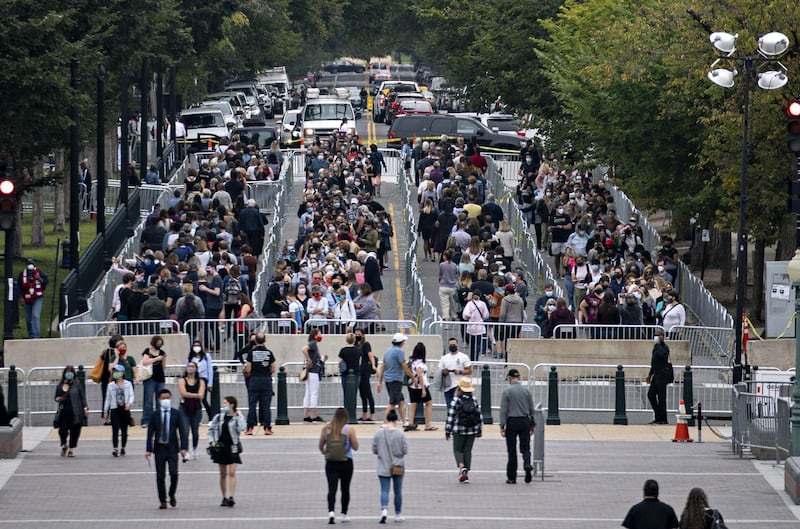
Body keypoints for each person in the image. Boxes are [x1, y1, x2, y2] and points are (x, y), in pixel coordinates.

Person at [145, 389, 188, 509]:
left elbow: (183, 431)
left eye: (168, 398)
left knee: (174, 473)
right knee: (160, 476)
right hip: (159, 448)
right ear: (159, 400)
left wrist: (184, 447)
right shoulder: (154, 415)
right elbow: (150, 433)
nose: (166, 400)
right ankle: (162, 500)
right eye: (163, 398)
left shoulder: (176, 413)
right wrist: (148, 449)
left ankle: (171, 493)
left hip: (172, 447)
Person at [319, 407, 360, 524]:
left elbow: (320, 446)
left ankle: (331, 512)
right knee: (345, 489)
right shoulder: (349, 429)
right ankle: (344, 514)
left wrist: (326, 453)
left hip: (331, 462)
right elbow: (356, 447)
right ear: (346, 417)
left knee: (331, 489)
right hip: (346, 462)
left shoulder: (326, 429)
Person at [208, 395, 247, 507]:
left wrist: (240, 416)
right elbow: (211, 429)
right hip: (221, 447)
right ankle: (224, 497)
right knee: (223, 474)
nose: (223, 405)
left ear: (232, 405)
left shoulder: (236, 417)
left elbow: (242, 428)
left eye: (225, 403)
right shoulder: (219, 417)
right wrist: (212, 441)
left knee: (232, 472)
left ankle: (231, 496)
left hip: (233, 446)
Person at [372, 409, 408, 524]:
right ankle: (397, 514)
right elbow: (405, 450)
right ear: (396, 420)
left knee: (384, 490)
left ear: (386, 419)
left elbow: (374, 449)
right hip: (398, 465)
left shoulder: (379, 433)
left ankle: (384, 510)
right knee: (398, 491)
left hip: (383, 465)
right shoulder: (401, 434)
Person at [499, 369, 535, 484]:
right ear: (518, 377)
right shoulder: (526, 391)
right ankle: (527, 463)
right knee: (525, 447)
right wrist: (532, 423)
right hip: (525, 421)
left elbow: (503, 410)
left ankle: (512, 476)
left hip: (512, 421)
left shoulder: (507, 391)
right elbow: (531, 408)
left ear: (510, 378)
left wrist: (502, 425)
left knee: (512, 450)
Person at [445, 378, 482, 484]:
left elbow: (451, 416)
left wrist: (448, 430)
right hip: (472, 429)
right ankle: (466, 473)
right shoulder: (474, 399)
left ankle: (461, 467)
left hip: (459, 429)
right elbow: (479, 415)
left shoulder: (456, 400)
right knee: (467, 451)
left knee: (457, 450)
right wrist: (479, 430)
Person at [376, 333, 414, 427]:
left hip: (388, 379)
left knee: (400, 401)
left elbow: (383, 366)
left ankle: (404, 421)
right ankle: (385, 422)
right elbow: (404, 366)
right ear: (401, 342)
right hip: (396, 380)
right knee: (393, 402)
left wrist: (380, 381)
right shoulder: (399, 352)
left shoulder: (387, 351)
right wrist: (413, 377)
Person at [243, 332, 276, 435]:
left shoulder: (251, 353)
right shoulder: (269, 353)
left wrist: (249, 374)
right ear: (265, 340)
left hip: (254, 380)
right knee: (266, 405)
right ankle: (267, 427)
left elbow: (248, 368)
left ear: (255, 341)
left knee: (252, 405)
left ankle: (250, 428)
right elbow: (273, 368)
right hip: (266, 380)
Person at [54, 365, 88, 457]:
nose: (69, 375)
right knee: (63, 430)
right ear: (64, 374)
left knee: (75, 431)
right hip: (64, 412)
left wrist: (85, 408)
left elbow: (82, 398)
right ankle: (64, 444)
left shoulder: (77, 385)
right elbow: (56, 398)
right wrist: (60, 397)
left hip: (76, 412)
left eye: (71, 372)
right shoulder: (60, 385)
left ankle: (71, 449)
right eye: (67, 372)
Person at [102, 364, 134, 457]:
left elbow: (131, 395)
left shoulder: (128, 384)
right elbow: (107, 398)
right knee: (115, 429)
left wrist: (129, 403)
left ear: (122, 373)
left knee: (124, 429)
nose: (116, 373)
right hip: (115, 408)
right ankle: (115, 448)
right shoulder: (111, 385)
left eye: (118, 371)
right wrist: (105, 411)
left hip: (124, 408)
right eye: (114, 371)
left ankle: (123, 447)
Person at [177, 361, 206, 460]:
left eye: (192, 366)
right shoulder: (182, 380)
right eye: (189, 366)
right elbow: (183, 393)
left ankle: (194, 448)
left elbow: (201, 395)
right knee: (184, 430)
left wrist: (194, 395)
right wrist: (195, 395)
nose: (190, 368)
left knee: (195, 430)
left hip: (196, 408)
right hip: (184, 407)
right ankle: (185, 450)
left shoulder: (201, 381)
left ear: (196, 369)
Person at [406, 342, 437, 431]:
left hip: (412, 386)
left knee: (413, 404)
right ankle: (427, 424)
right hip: (420, 386)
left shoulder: (412, 362)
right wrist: (423, 389)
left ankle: (411, 423)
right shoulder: (420, 363)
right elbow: (420, 376)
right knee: (429, 403)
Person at [437, 337, 472, 409]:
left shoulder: (463, 357)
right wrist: (444, 372)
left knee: (460, 406)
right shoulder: (444, 358)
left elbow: (469, 370)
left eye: (454, 344)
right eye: (451, 345)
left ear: (457, 345)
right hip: (448, 386)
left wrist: (460, 372)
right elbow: (439, 371)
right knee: (450, 407)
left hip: (460, 386)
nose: (452, 346)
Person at [141, 335, 167, 428]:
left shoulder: (162, 352)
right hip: (149, 378)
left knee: (160, 400)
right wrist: (156, 358)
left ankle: (159, 420)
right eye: (158, 343)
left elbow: (164, 366)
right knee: (148, 400)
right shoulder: (147, 351)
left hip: (160, 378)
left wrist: (163, 359)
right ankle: (146, 420)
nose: (159, 345)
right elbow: (144, 362)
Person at [646, 329, 671, 425]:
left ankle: (663, 418)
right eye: (655, 335)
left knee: (661, 397)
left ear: (662, 336)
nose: (656, 337)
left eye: (658, 335)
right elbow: (654, 362)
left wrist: (660, 344)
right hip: (656, 373)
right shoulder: (655, 347)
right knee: (651, 394)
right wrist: (649, 374)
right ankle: (658, 415)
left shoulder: (664, 348)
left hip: (663, 374)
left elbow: (662, 356)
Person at [19, 258, 48, 339]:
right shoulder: (22, 274)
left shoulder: (39, 272)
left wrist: (39, 278)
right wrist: (21, 297)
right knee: (28, 319)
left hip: (37, 297)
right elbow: (19, 287)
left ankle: (36, 336)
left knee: (35, 315)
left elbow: (46, 281)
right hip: (27, 298)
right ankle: (31, 334)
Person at [302, 328, 325, 422]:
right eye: (319, 334)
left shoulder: (313, 344)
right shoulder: (313, 344)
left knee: (308, 393)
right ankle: (314, 415)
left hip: (310, 371)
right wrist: (309, 359)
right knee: (314, 393)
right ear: (315, 335)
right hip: (314, 371)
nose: (320, 335)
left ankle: (306, 414)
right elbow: (304, 349)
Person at [188, 341, 214, 421]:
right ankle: (195, 418)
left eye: (198, 345)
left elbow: (210, 369)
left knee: (203, 399)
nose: (196, 347)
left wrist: (210, 383)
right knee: (194, 399)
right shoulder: (190, 358)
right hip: (194, 380)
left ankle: (211, 417)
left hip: (203, 379)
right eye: (195, 345)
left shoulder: (206, 356)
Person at [355, 329, 377, 422]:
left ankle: (372, 414)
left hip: (365, 370)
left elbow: (370, 355)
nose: (357, 336)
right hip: (359, 371)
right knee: (362, 393)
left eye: (359, 334)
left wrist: (373, 365)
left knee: (368, 392)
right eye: (356, 334)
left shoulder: (366, 344)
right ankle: (364, 414)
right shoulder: (355, 345)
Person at [338, 333, 362, 401]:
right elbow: (360, 363)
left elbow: (340, 362)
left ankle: (346, 408)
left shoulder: (343, 350)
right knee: (354, 393)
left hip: (345, 374)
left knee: (346, 393)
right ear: (354, 340)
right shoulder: (358, 350)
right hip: (356, 373)